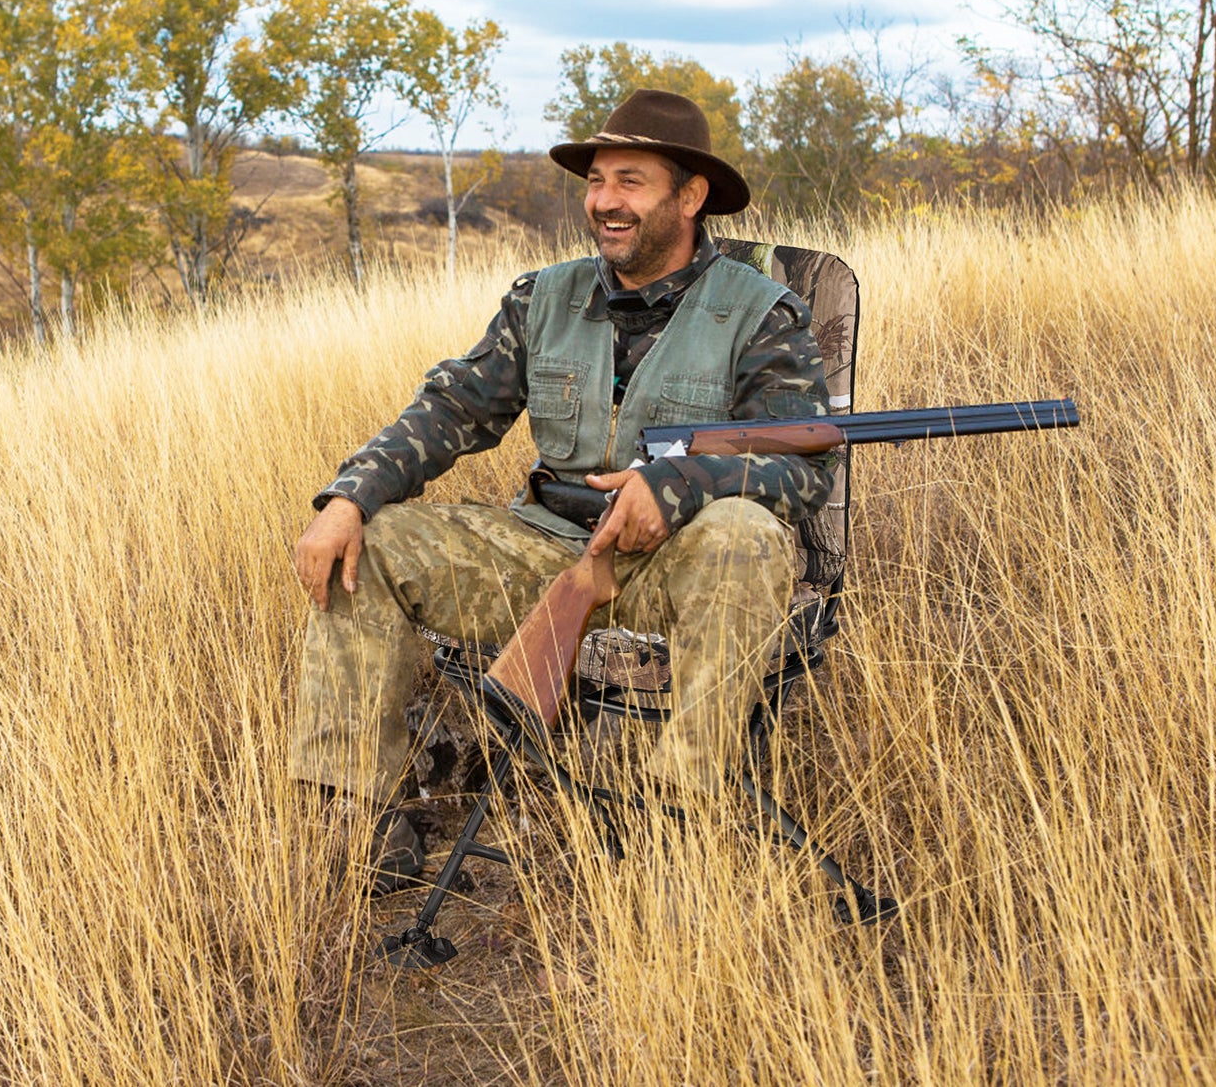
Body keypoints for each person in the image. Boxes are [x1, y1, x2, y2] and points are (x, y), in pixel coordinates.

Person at [289, 87, 835, 889]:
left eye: (631, 181)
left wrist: (680, 485)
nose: (605, 203)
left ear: (690, 196)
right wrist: (348, 498)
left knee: (746, 536)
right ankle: (366, 817)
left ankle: (682, 813)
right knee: (370, 548)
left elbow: (802, 468)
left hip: (674, 567)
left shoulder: (760, 314)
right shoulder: (540, 297)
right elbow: (452, 408)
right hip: (538, 545)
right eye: (596, 181)